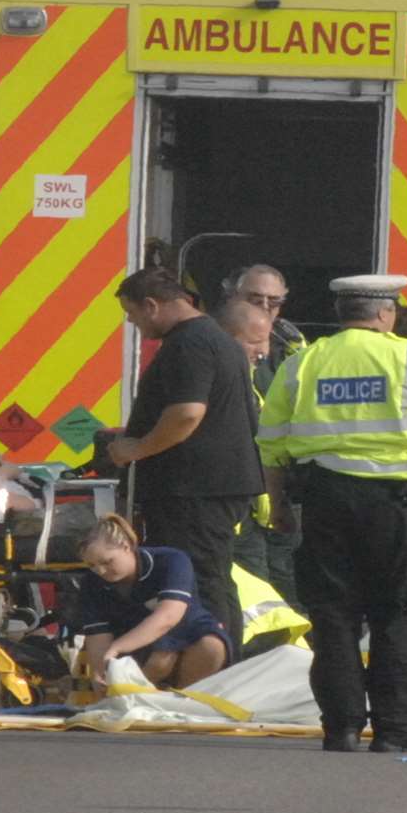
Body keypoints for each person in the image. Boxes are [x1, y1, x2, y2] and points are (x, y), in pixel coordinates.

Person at [259, 274, 407, 753]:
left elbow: (271, 442)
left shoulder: (302, 362)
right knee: (397, 613)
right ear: (385, 314)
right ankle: (395, 730)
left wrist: (278, 506)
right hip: (395, 507)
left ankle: (343, 727)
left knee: (333, 616)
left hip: (324, 503)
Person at [108, 267, 262, 679]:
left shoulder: (189, 345)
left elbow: (187, 414)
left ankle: (215, 676)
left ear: (152, 305)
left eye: (132, 313)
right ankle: (220, 673)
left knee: (199, 580)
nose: (132, 323)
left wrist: (135, 449)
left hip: (195, 488)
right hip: (211, 486)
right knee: (212, 578)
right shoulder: (216, 339)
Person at [75, 514, 231, 689]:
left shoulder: (171, 560)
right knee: (151, 665)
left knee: (210, 647)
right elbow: (98, 636)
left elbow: (168, 617)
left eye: (107, 561)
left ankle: (184, 703)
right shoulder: (91, 583)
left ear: (126, 545)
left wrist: (117, 647)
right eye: (92, 565)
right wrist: (101, 670)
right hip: (133, 644)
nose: (100, 571)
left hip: (186, 632)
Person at [220, 300, 304, 615]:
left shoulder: (290, 354)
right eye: (254, 342)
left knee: (287, 588)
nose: (263, 351)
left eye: (266, 341)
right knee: (257, 594)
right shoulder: (223, 381)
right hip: (243, 513)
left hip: (277, 504)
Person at [230, 264, 306, 394]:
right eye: (255, 299)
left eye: (274, 300)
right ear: (233, 296)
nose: (265, 306)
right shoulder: (214, 337)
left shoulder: (290, 337)